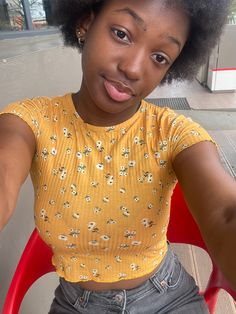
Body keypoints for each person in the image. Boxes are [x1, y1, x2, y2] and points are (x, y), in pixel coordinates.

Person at [0, 0, 235, 313]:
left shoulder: (173, 132)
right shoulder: (30, 120)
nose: (134, 68)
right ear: (86, 23)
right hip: (75, 305)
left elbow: (224, 214)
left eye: (159, 57)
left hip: (168, 298)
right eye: (122, 34)